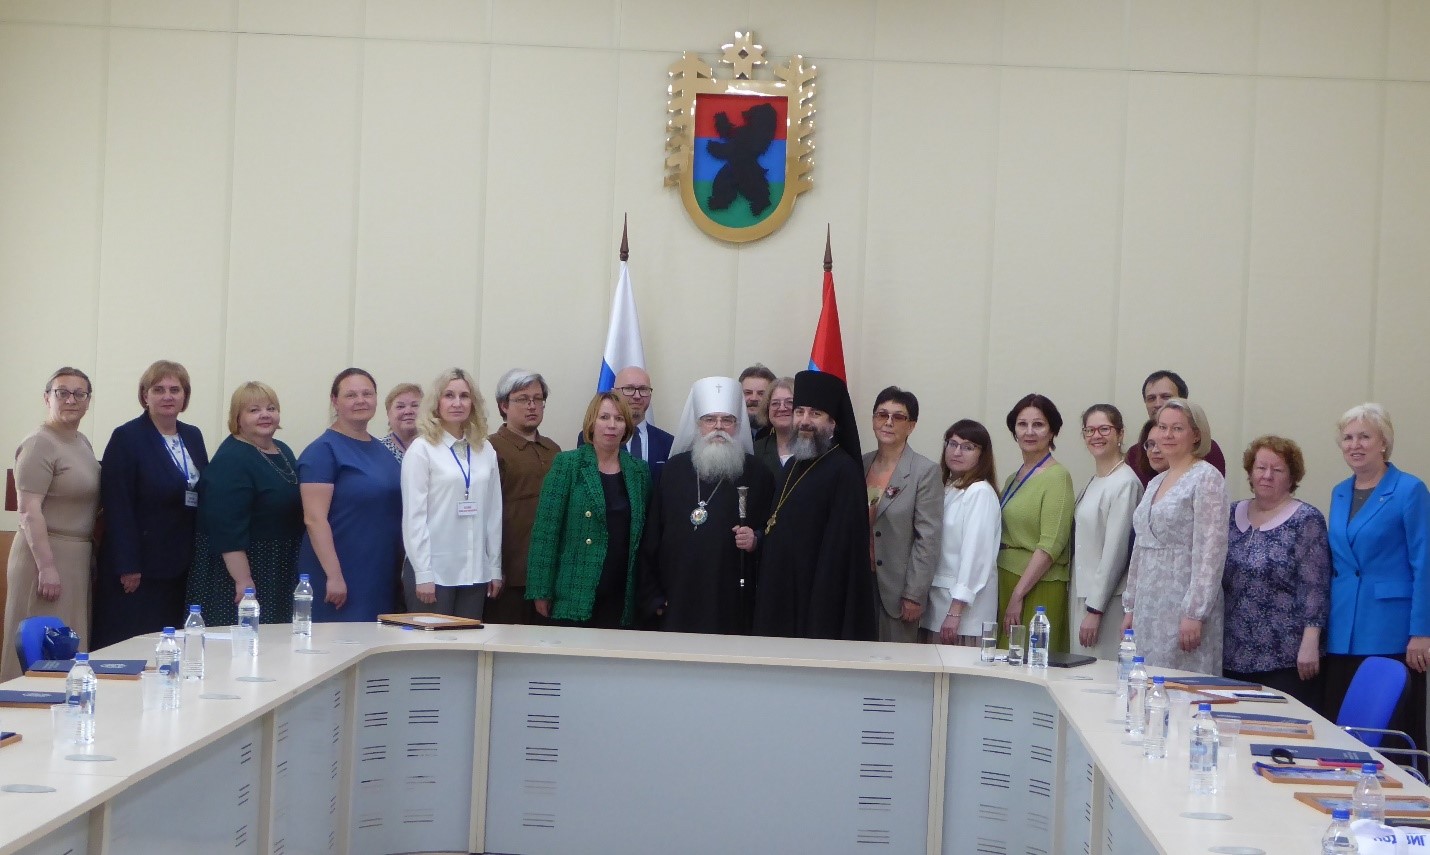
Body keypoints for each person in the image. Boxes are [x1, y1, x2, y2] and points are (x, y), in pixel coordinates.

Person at [1323, 403, 1430, 745]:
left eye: (1364, 437)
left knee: (1389, 735)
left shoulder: (1409, 490)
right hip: (1343, 628)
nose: (1354, 445)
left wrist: (1422, 632)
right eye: (1348, 438)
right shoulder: (1340, 491)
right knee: (1342, 733)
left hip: (1391, 630)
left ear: (1383, 442)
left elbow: (1424, 563)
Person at [640, 376, 773, 634]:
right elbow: (652, 536)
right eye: (710, 419)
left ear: (738, 425)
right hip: (676, 598)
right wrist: (653, 597)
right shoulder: (673, 470)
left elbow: (771, 535)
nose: (718, 427)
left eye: (727, 420)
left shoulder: (758, 474)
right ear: (698, 424)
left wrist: (755, 539)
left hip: (732, 601)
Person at [93, 360, 210, 648]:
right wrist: (128, 565)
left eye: (175, 389)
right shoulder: (127, 437)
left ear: (185, 396)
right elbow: (118, 505)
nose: (167, 396)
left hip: (182, 564)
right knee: (134, 644)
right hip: (139, 569)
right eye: (158, 389)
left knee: (171, 645)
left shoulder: (192, 436)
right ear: (145, 395)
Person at [752, 370, 874, 641]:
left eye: (815, 414)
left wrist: (820, 608)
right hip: (781, 590)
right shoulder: (795, 464)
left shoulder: (843, 471)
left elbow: (840, 552)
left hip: (816, 599)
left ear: (833, 422)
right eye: (800, 412)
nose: (804, 421)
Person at [1, 368, 101, 681]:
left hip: (76, 558)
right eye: (62, 392)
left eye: (79, 393)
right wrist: (46, 567)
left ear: (88, 401)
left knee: (68, 649)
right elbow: (28, 511)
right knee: (38, 653)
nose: (71, 400)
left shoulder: (81, 442)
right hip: (44, 558)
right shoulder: (38, 443)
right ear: (47, 398)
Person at [1222, 436, 1330, 708]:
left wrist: (1310, 642)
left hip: (1286, 658)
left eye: (1277, 469)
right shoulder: (1231, 514)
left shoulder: (1306, 519)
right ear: (1250, 472)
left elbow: (1315, 586)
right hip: (1232, 653)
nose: (1267, 475)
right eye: (1261, 467)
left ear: (1291, 477)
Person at [1122, 399, 1229, 673]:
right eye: (1162, 427)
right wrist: (1130, 606)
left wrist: (1195, 612)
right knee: (1144, 680)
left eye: (1177, 428)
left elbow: (1211, 550)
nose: (1167, 435)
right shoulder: (1156, 481)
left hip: (1183, 603)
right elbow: (1141, 547)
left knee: (1181, 684)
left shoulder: (1206, 478)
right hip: (1148, 604)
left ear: (1196, 435)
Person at [185, 382, 304, 628]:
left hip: (279, 564)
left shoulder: (282, 450)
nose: (265, 415)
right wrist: (243, 580)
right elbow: (227, 529)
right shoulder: (231, 459)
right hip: (242, 569)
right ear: (237, 418)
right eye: (254, 410)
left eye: (271, 408)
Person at [528, 392, 651, 628]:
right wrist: (541, 589)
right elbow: (545, 532)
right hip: (574, 588)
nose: (612, 425)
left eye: (619, 419)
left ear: (626, 426)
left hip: (621, 589)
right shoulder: (568, 464)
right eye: (604, 417)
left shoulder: (639, 472)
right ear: (591, 423)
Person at [297, 368, 404, 622]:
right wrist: (334, 576)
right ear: (335, 401)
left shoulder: (382, 450)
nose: (361, 400)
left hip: (380, 569)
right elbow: (314, 519)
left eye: (367, 394)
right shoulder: (322, 452)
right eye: (351, 395)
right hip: (340, 574)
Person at [400, 369, 502, 619]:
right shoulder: (422, 449)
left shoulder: (485, 449)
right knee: (431, 643)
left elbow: (494, 513)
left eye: (464, 396)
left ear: (473, 403)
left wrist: (494, 566)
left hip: (475, 572)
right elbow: (414, 517)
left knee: (468, 641)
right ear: (436, 402)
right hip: (435, 573)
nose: (457, 403)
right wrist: (423, 572)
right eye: (449, 395)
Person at [863, 386, 942, 643]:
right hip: (859, 583)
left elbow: (927, 539)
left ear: (911, 426)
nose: (888, 422)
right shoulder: (860, 464)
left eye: (898, 417)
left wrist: (914, 594)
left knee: (892, 660)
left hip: (897, 591)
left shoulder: (924, 471)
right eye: (881, 414)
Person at [997, 394, 1074, 652]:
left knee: (1031, 661)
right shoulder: (1013, 478)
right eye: (1022, 424)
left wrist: (1018, 595)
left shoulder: (1057, 477)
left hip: (1037, 584)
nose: (1029, 432)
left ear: (1052, 431)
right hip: (1007, 577)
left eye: (1038, 424)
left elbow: (1051, 544)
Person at [487, 368, 560, 624]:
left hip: (549, 574)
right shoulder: (490, 448)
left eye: (538, 399)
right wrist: (494, 567)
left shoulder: (553, 450)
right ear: (504, 405)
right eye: (523, 399)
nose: (532, 406)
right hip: (509, 575)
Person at [1070, 405, 1143, 660]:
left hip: (1106, 602)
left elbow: (1116, 551)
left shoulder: (1126, 483)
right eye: (1089, 430)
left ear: (1120, 434)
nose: (1096, 436)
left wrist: (1095, 610)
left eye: (1104, 429)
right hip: (1082, 593)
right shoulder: (1094, 481)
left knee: (1101, 671)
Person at [923, 420, 1000, 645]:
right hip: (937, 605)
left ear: (982, 455)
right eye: (952, 444)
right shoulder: (948, 487)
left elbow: (976, 555)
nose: (957, 452)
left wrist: (956, 610)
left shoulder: (979, 492)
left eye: (968, 447)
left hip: (964, 614)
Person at [1125, 370, 1226, 485]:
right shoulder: (1135, 453)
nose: (1158, 404)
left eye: (1166, 397)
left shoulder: (1206, 451)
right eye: (1151, 398)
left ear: (1183, 400)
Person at [753, 376, 796, 478]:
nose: (782, 408)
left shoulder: (814, 447)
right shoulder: (756, 449)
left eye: (790, 402)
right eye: (775, 403)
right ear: (767, 409)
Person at [378, 382, 422, 461]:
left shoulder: (435, 446)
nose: (408, 411)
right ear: (388, 413)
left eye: (414, 405)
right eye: (400, 406)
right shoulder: (378, 449)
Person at [739, 363, 776, 441]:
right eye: (748, 393)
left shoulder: (780, 432)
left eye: (761, 393)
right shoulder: (728, 429)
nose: (754, 398)